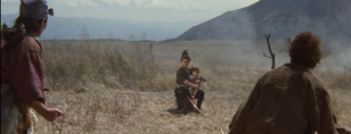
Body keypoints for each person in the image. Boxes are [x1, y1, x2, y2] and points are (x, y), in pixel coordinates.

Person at [228, 31, 351, 134]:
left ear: (291, 52)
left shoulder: (268, 77)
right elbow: (328, 128)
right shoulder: (314, 86)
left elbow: (244, 115)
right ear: (316, 58)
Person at [1, 0, 64, 134]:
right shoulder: (28, 47)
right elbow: (27, 87)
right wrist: (45, 112)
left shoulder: (6, 40)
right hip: (7, 113)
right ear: (43, 22)